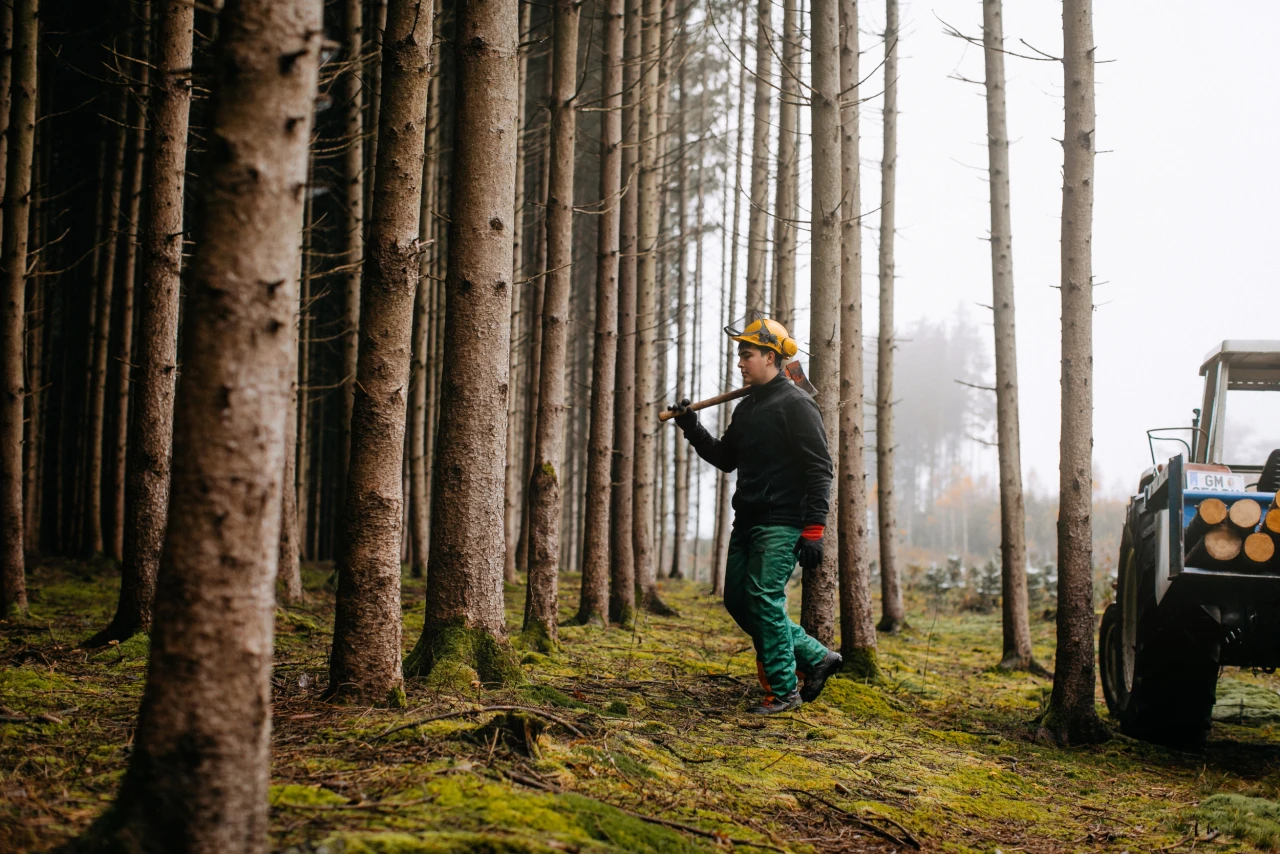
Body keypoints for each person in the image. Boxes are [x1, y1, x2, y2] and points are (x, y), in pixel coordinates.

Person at [668, 315, 843, 713]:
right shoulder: (747, 408)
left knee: (763, 601)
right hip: (746, 520)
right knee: (738, 601)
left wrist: (814, 529)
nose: (740, 363)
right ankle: (817, 657)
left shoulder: (797, 405)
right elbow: (726, 459)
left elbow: (821, 469)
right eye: (739, 356)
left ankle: (784, 692)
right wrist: (691, 426)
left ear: (770, 356)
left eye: (746, 355)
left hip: (782, 522)